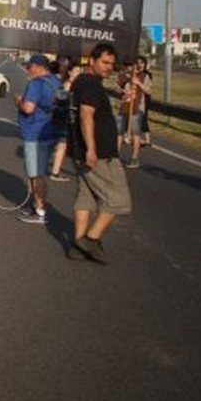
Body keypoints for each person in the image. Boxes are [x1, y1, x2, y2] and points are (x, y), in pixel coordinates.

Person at [68, 42, 134, 263]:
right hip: (99, 154)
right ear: (92, 61)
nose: (108, 67)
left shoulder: (83, 82)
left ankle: (77, 247)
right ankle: (90, 239)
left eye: (112, 64)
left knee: (85, 199)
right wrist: (92, 149)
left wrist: (120, 97)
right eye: (104, 62)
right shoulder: (91, 85)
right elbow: (86, 115)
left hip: (80, 150)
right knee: (118, 200)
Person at [14, 54, 62, 224]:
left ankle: (40, 211)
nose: (28, 69)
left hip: (35, 133)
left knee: (36, 174)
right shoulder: (55, 81)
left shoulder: (36, 83)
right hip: (50, 131)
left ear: (39, 67)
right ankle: (36, 205)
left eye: (30, 66)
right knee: (39, 172)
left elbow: (28, 108)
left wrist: (18, 101)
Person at [114, 57, 152, 169]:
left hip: (137, 108)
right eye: (133, 64)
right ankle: (115, 156)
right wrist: (122, 90)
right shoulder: (123, 75)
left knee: (135, 133)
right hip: (124, 107)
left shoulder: (145, 76)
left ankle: (134, 158)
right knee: (119, 132)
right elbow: (116, 89)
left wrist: (138, 83)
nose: (135, 66)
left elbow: (149, 91)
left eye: (140, 63)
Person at [48, 56, 80, 182]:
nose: (79, 74)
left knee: (62, 145)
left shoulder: (76, 86)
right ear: (70, 72)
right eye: (77, 71)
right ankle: (54, 172)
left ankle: (54, 171)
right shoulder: (66, 86)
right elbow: (59, 102)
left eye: (80, 72)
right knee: (61, 145)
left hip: (69, 119)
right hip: (62, 119)